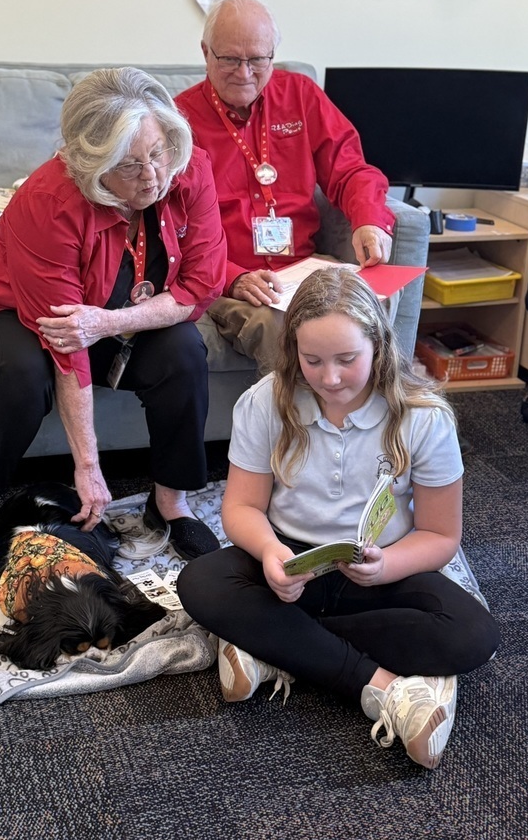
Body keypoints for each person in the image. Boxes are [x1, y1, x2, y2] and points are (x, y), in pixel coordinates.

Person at [0, 67, 226, 616]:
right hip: (11, 305)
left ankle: (172, 502)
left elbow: (201, 285)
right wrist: (87, 468)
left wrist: (105, 323)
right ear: (91, 163)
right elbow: (66, 343)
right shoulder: (49, 198)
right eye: (130, 165)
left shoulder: (187, 167)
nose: (152, 175)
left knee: (183, 350)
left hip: (106, 312)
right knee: (20, 374)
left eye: (157, 153)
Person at [177, 268, 500, 770]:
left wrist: (385, 566)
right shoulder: (264, 402)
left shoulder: (424, 415)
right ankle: (384, 687)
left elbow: (440, 536)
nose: (330, 378)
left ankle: (277, 647)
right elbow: (241, 508)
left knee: (472, 634)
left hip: (379, 567)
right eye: (313, 361)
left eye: (348, 360)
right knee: (200, 582)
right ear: (293, 353)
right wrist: (268, 552)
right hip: (290, 564)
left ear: (378, 345)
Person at [176, 0, 397, 372]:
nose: (244, 73)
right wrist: (233, 277)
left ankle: (369, 424)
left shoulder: (300, 95)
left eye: (257, 60)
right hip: (231, 275)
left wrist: (370, 220)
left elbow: (350, 168)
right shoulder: (179, 119)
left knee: (375, 297)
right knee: (276, 326)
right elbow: (174, 225)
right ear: (206, 52)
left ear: (272, 55)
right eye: (230, 59)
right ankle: (297, 430)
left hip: (302, 267)